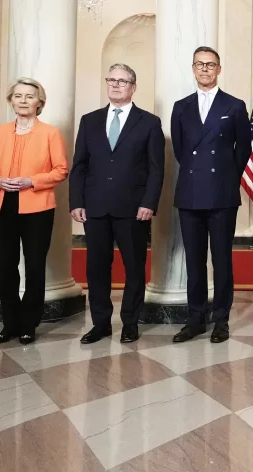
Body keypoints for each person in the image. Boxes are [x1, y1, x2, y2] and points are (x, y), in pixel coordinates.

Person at [70, 64, 165, 345]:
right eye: (111, 79)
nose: (115, 85)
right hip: (95, 207)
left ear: (133, 87)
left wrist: (149, 202)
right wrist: (76, 200)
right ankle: (100, 323)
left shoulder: (149, 122)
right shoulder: (89, 121)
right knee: (96, 267)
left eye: (122, 81)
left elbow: (156, 169)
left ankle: (130, 322)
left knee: (134, 267)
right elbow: (79, 165)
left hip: (133, 208)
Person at [170, 46, 251, 343]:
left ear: (219, 69)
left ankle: (221, 320)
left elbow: (243, 149)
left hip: (221, 194)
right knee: (194, 261)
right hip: (190, 193)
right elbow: (180, 151)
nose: (205, 69)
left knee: (221, 260)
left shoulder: (235, 105)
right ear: (193, 69)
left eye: (211, 64)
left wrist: (226, 177)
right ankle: (195, 319)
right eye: (199, 64)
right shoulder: (181, 106)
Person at [0, 78, 68, 345]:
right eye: (18, 96)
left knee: (34, 266)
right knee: (5, 266)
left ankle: (28, 324)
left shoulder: (50, 133)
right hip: (2, 205)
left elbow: (61, 170)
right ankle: (10, 323)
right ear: (11, 101)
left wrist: (32, 181)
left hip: (37, 207)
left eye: (29, 96)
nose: (22, 100)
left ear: (39, 102)